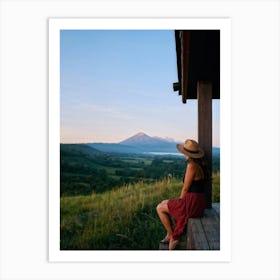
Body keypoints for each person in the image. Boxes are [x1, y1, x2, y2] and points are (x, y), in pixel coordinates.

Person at [156, 139, 209, 250]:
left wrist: (180, 202)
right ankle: (169, 233)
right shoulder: (197, 165)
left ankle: (171, 235)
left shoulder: (192, 166)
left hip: (192, 204)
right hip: (197, 202)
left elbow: (185, 189)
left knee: (159, 208)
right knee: (164, 202)